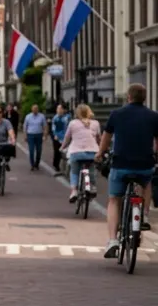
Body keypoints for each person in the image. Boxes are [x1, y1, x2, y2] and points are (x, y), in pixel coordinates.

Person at [100, 83, 158, 257]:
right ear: (144, 98)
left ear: (128, 97)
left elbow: (106, 137)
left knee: (114, 200)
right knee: (146, 182)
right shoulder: (154, 116)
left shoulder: (116, 114)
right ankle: (145, 216)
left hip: (120, 164)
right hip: (144, 164)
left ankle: (112, 240)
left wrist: (100, 153)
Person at [60, 103, 101, 203]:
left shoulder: (73, 123)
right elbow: (99, 138)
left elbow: (67, 138)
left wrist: (62, 147)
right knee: (91, 169)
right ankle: (93, 187)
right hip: (92, 152)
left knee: (74, 171)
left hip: (76, 152)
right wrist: (100, 149)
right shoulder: (95, 123)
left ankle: (74, 191)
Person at [23, 105, 47, 170]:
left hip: (39, 135)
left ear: (38, 109)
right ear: (31, 109)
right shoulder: (28, 116)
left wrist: (45, 135)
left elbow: (45, 126)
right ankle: (32, 164)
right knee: (31, 150)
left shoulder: (42, 116)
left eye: (36, 109)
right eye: (34, 109)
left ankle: (37, 163)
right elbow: (25, 127)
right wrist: (25, 135)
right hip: (30, 135)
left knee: (39, 150)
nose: (35, 110)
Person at [50, 103, 71, 174]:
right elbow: (53, 128)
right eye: (57, 109)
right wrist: (55, 135)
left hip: (66, 137)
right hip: (57, 137)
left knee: (66, 153)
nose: (58, 110)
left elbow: (70, 127)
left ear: (63, 110)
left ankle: (66, 168)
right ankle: (56, 165)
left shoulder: (68, 117)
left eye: (60, 109)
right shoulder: (55, 118)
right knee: (57, 152)